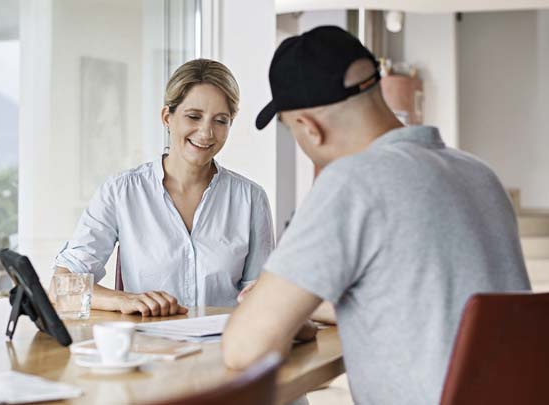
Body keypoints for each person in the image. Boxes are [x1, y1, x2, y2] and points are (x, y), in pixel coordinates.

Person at [222, 26, 530, 404]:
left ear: (309, 128)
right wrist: (297, 307)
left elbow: (244, 349)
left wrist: (267, 311)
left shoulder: (352, 182)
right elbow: (426, 304)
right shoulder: (479, 174)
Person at [52, 59, 274, 317]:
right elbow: (61, 285)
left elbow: (262, 299)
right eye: (193, 116)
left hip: (225, 349)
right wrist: (124, 300)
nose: (206, 132)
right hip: (151, 349)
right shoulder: (121, 192)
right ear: (167, 117)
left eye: (220, 121)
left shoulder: (251, 199)